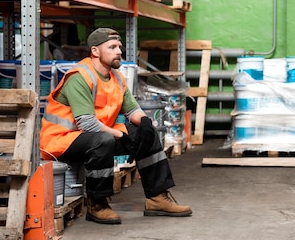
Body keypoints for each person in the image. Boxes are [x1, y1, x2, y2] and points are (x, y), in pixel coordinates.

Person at [39, 27, 192, 225]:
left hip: (96, 136)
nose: (119, 51)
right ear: (95, 51)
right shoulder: (80, 77)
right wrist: (119, 136)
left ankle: (157, 197)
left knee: (146, 133)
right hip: (60, 142)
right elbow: (87, 123)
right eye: (112, 47)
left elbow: (132, 110)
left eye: (119, 46)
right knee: (102, 140)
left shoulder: (117, 78)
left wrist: (145, 122)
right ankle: (97, 204)